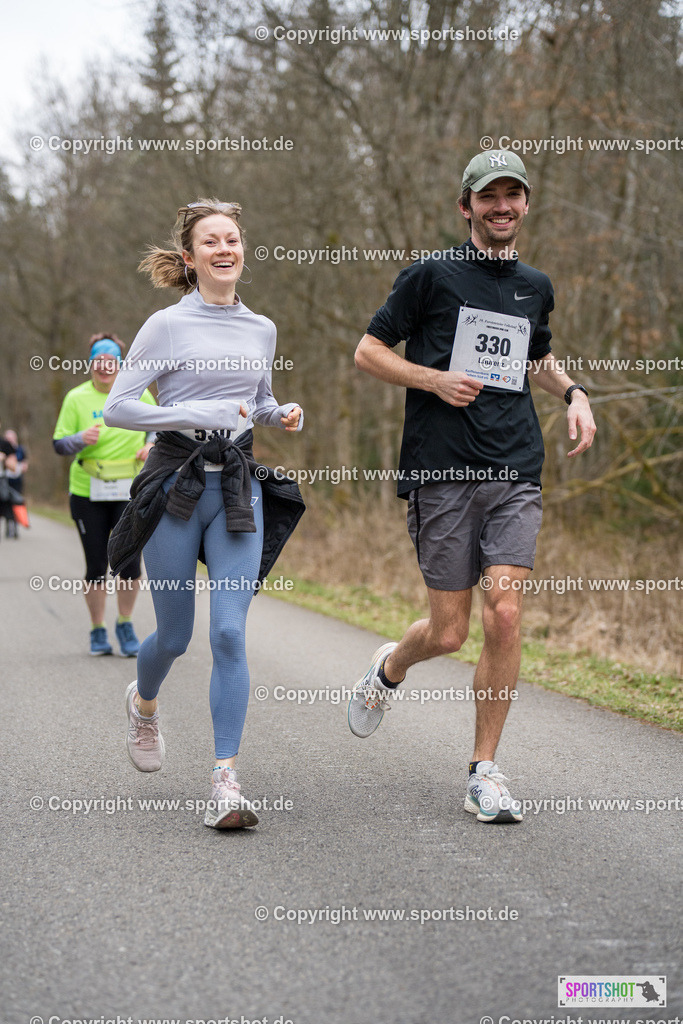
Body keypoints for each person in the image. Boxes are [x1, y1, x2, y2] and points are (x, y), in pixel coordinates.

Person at [348, 151, 596, 824]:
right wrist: (432, 379)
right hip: (442, 471)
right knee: (450, 632)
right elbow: (368, 351)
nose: (501, 206)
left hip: (514, 466)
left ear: (524, 205)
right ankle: (390, 667)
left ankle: (483, 772)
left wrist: (572, 392)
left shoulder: (533, 285)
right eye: (489, 196)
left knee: (506, 611)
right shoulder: (429, 276)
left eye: (512, 195)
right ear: (466, 207)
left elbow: (535, 358)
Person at [103, 199, 305, 831]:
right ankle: (143, 701)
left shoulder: (262, 328)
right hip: (174, 484)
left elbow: (258, 399)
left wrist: (280, 414)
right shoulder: (166, 325)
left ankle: (225, 779)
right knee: (173, 636)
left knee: (228, 634)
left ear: (243, 251)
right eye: (211, 241)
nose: (225, 249)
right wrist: (191, 418)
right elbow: (118, 408)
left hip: (236, 489)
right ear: (189, 259)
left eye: (234, 239)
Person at [53, 334, 156, 656]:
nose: (104, 368)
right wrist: (80, 438)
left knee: (129, 564)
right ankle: (98, 630)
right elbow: (59, 444)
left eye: (111, 362)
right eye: (99, 362)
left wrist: (151, 444)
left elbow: (160, 426)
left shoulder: (137, 392)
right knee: (96, 564)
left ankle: (124, 624)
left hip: (130, 491)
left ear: (120, 365)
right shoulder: (76, 398)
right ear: (90, 365)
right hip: (87, 491)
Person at [3, 429, 28, 538]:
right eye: (8, 439)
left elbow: (25, 463)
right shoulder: (4, 447)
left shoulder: (20, 449)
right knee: (6, 505)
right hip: (5, 481)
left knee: (17, 504)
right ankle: (9, 527)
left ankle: (15, 527)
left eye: (12, 438)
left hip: (17, 481)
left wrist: (20, 467)